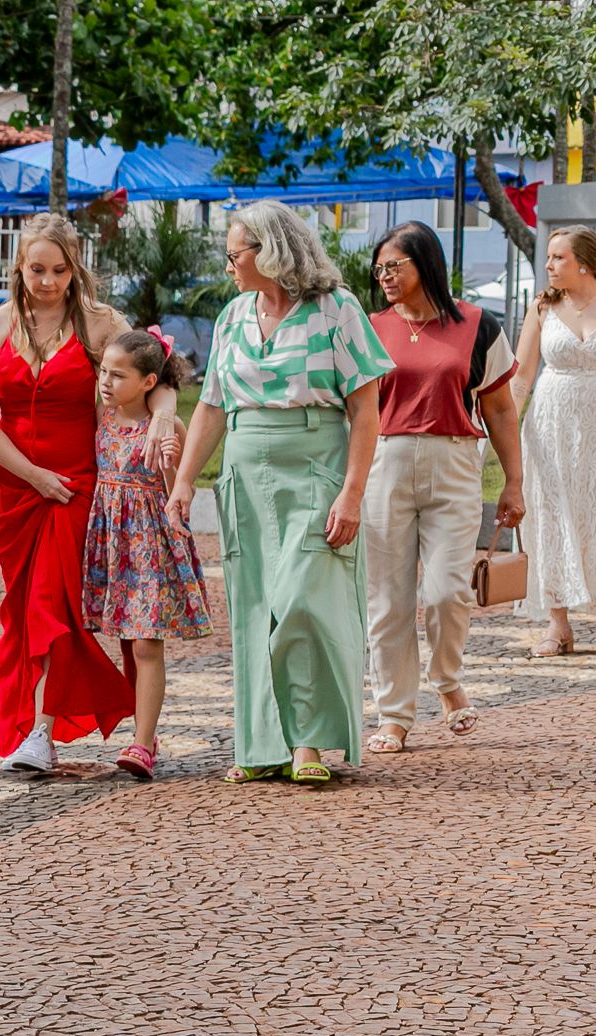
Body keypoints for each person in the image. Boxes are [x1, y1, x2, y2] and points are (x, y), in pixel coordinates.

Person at [167, 200, 393, 785]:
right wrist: (186, 482)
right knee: (254, 608)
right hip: (246, 470)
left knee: (303, 602)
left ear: (271, 251)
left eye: (234, 253)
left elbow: (365, 411)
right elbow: (212, 406)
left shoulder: (336, 309)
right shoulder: (233, 316)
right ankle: (263, 744)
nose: (228, 265)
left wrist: (351, 493)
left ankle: (309, 742)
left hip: (316, 466)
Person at [0, 213, 178, 774]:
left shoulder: (102, 324)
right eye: (37, 269)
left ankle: (43, 732)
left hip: (78, 485)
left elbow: (158, 375)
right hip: (15, 486)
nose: (49, 281)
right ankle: (31, 724)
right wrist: (31, 474)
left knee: (52, 605)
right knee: (22, 610)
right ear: (19, 266)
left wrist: (163, 416)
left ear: (75, 267)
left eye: (59, 270)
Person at [362, 222, 524, 752]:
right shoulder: (369, 327)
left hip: (454, 463)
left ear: (425, 264)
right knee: (388, 598)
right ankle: (393, 714)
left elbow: (499, 407)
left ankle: (448, 680)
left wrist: (513, 482)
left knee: (448, 591)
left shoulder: (479, 325)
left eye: (394, 266)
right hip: (383, 463)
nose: (384, 276)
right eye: (379, 268)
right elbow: (353, 412)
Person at [508, 225, 596, 654]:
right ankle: (558, 625)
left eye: (557, 258)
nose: (548, 266)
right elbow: (521, 376)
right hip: (551, 423)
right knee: (553, 516)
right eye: (549, 258)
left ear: (584, 263)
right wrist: (505, 433)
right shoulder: (542, 307)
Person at [83, 328, 212, 780]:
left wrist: (175, 462)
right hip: (111, 543)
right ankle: (142, 728)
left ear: (149, 382)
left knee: (144, 642)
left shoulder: (166, 425)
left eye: (118, 375)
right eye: (104, 371)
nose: (106, 381)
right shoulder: (102, 416)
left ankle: (143, 743)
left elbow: (178, 487)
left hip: (148, 545)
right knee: (124, 639)